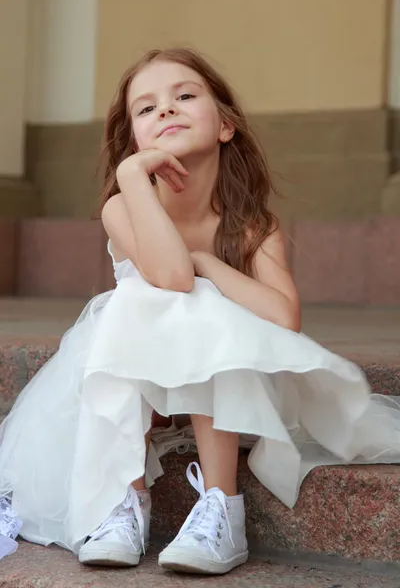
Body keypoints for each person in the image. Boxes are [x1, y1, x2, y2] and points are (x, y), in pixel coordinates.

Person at [0, 47, 399, 576]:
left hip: (234, 385)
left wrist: (209, 262)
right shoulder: (124, 205)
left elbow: (284, 319)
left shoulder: (255, 226)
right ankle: (124, 500)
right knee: (145, 297)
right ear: (135, 142)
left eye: (184, 96)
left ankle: (221, 506)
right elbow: (168, 276)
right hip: (134, 382)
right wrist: (130, 177)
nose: (165, 110)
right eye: (145, 109)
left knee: (199, 299)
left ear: (226, 125)